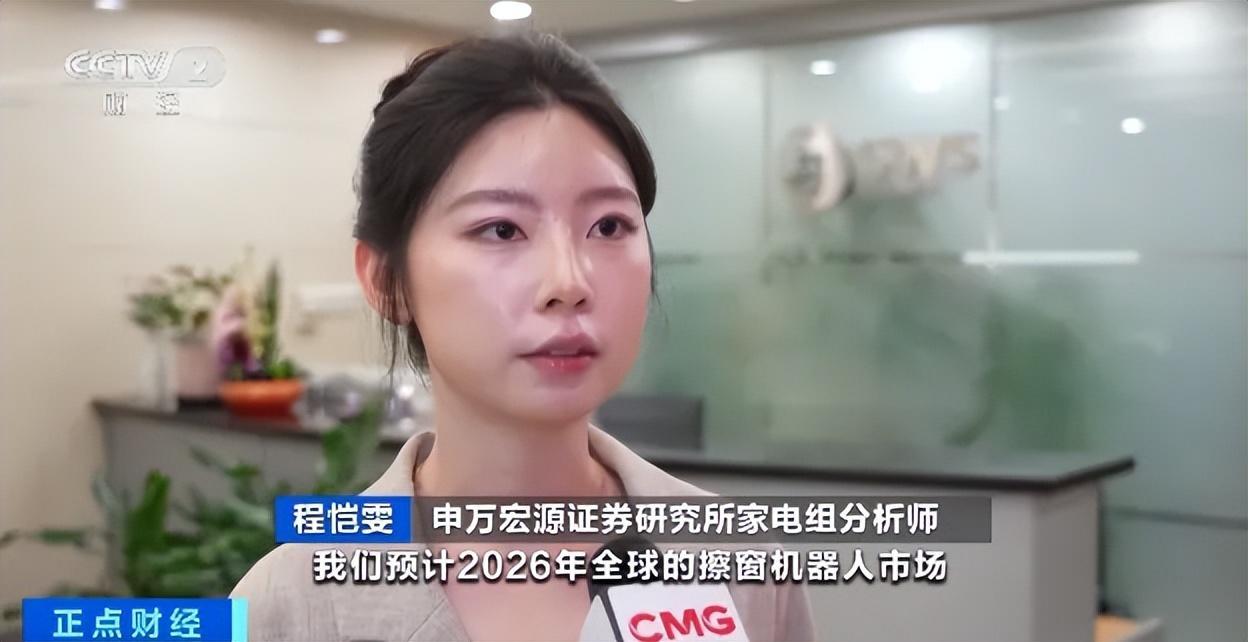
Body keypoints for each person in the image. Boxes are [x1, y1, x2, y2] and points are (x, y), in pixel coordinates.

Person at [230, 32, 815, 642]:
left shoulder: (745, 566)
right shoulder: (289, 605)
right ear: (385, 279)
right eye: (501, 230)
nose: (569, 282)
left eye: (608, 225)